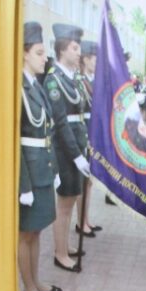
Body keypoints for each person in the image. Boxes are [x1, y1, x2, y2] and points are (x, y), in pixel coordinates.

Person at [18, 22, 61, 291]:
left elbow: (48, 131)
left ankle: (36, 280)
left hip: (43, 168)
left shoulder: (36, 85)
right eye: (38, 52)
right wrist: (23, 185)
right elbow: (14, 141)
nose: (45, 58)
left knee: (37, 230)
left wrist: (54, 169)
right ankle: (29, 288)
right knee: (25, 233)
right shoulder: (18, 88)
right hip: (30, 174)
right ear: (24, 53)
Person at [44, 23, 90, 273]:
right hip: (65, 150)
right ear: (62, 49)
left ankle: (65, 245)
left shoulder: (73, 79)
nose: (78, 52)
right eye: (74, 47)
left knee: (72, 199)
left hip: (77, 145)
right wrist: (76, 155)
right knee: (64, 204)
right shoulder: (54, 81)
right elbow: (61, 123)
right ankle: (59, 253)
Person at [75, 40, 101, 239]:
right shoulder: (79, 81)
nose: (96, 62)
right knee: (83, 182)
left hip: (93, 135)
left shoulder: (92, 80)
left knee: (89, 182)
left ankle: (85, 219)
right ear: (85, 59)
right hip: (83, 134)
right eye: (94, 58)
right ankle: (80, 221)